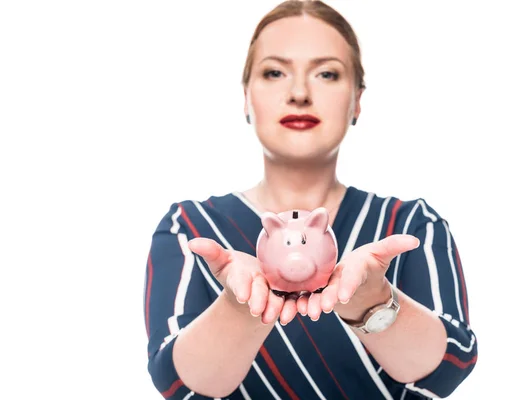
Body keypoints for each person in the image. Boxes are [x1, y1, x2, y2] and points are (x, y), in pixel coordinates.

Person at [143, 1, 478, 399]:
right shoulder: (191, 229)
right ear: (246, 97)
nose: (299, 93)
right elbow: (176, 381)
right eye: (274, 72)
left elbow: (449, 366)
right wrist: (241, 304)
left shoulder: (411, 227)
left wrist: (372, 301)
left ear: (356, 99)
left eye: (326, 74)